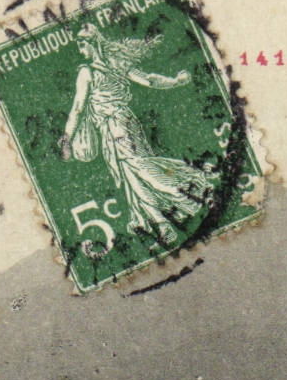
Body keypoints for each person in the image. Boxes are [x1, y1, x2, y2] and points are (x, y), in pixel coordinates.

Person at [59, 24, 214, 247]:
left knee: (141, 170)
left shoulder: (87, 72)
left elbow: (77, 108)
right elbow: (149, 80)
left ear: (93, 43)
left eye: (82, 43)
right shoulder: (117, 63)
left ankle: (194, 190)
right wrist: (175, 81)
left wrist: (67, 139)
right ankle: (162, 223)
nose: (80, 48)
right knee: (133, 176)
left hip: (116, 128)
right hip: (126, 123)